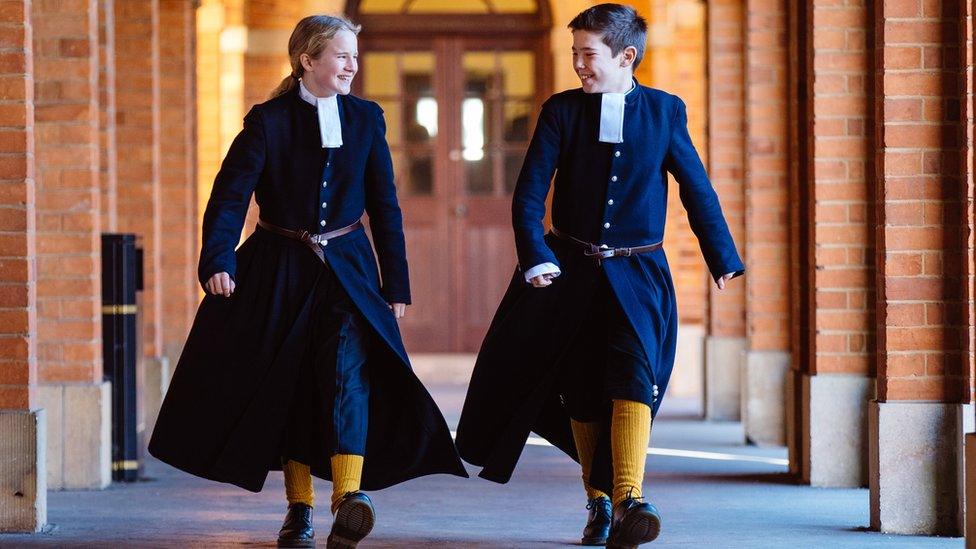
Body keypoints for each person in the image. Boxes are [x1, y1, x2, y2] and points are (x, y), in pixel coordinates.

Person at [148, 14, 466, 549]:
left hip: (349, 268)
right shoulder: (267, 121)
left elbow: (385, 207)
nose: (352, 66)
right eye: (342, 56)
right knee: (290, 385)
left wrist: (397, 285)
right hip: (278, 268)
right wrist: (217, 260)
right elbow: (230, 196)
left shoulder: (366, 119)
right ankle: (300, 509)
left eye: (355, 57)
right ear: (308, 59)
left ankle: (349, 498)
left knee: (348, 374)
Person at [455, 4, 744, 548]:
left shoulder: (664, 112)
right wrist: (536, 254)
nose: (579, 65)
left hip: (639, 274)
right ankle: (600, 504)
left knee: (636, 378)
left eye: (588, 55)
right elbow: (528, 195)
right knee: (583, 392)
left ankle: (631, 495)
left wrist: (721, 255)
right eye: (575, 54)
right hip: (571, 275)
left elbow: (695, 188)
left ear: (625, 56)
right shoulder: (561, 112)